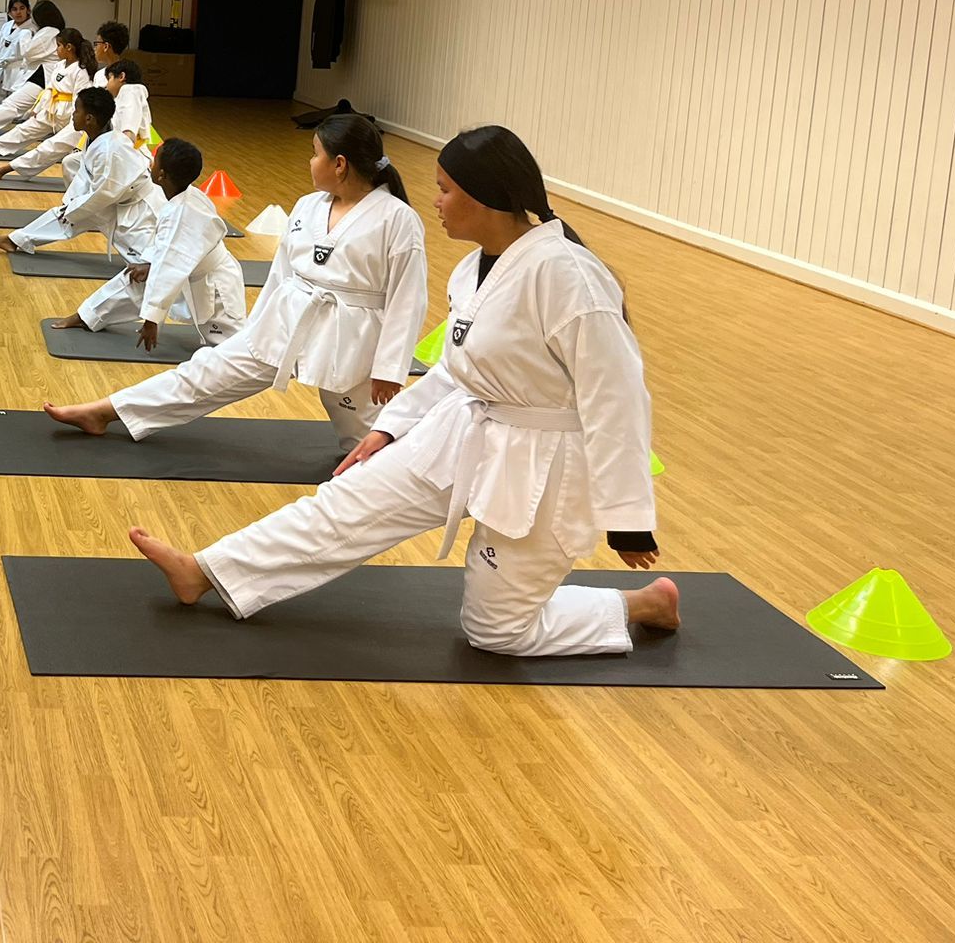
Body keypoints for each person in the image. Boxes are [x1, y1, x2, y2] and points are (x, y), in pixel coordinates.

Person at [123, 125, 679, 659]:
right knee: (344, 504)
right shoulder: (476, 267)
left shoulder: (568, 277)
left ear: (485, 197)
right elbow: (460, 370)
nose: (433, 201)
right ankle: (204, 571)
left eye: (444, 189)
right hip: (463, 429)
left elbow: (618, 399)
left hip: (542, 463)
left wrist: (627, 516)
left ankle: (639, 605)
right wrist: (391, 426)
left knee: (497, 632)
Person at [44, 113, 426, 452]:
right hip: (286, 322)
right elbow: (282, 274)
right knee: (203, 374)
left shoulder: (397, 219)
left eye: (315, 153)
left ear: (339, 164)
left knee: (369, 443)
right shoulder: (309, 206)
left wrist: (390, 369)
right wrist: (258, 329)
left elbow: (408, 301)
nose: (310, 161)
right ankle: (103, 412)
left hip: (352, 339)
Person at [51, 137, 246, 351]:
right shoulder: (184, 196)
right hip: (191, 270)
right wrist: (150, 264)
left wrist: (152, 320)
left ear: (161, 175)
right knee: (135, 277)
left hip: (217, 288)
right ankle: (88, 315)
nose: (151, 164)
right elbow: (169, 251)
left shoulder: (182, 212)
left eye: (155, 162)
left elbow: (171, 269)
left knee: (232, 350)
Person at [0, 87, 159, 265]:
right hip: (118, 199)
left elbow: (102, 194)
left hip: (139, 211)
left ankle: (15, 240)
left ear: (89, 118)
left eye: (76, 110)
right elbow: (86, 177)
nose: (73, 114)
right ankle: (15, 240)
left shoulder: (108, 150)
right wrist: (71, 204)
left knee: (146, 261)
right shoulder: (98, 139)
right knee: (68, 215)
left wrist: (73, 207)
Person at [0, 57, 150, 179]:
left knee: (56, 150)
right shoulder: (121, 91)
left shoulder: (132, 91)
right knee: (69, 161)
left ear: (121, 77)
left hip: (128, 158)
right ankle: (74, 203)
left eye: (110, 79)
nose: (106, 84)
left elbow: (128, 133)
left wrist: (116, 159)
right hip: (100, 139)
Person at [0, 29, 94, 159]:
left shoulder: (80, 71)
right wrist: (38, 108)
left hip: (68, 113)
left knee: (54, 145)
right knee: (25, 129)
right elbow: (49, 89)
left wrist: (76, 120)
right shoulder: (59, 65)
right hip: (52, 109)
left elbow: (80, 99)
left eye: (59, 46)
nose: (56, 49)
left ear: (69, 47)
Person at [0, 0, 63, 133]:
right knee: (15, 107)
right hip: (41, 75)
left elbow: (27, 52)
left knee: (14, 105)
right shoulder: (50, 31)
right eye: (14, 9)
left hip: (42, 76)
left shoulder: (48, 31)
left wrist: (25, 35)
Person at [0, 0, 34, 105]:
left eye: (22, 8)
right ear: (9, 12)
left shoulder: (32, 29)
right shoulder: (6, 26)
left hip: (20, 71)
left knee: (15, 103)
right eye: (14, 9)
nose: (18, 12)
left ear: (28, 10)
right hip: (3, 69)